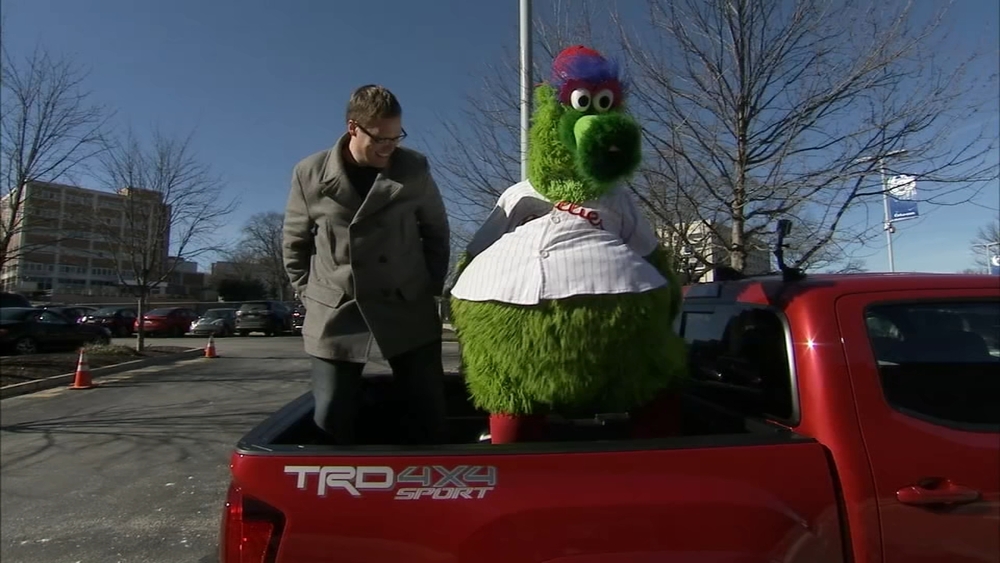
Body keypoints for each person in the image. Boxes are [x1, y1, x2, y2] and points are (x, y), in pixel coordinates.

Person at [282, 84, 451, 445]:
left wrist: (428, 289)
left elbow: (436, 232)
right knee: (331, 413)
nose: (389, 147)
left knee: (427, 409)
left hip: (406, 302)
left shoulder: (413, 168)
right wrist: (311, 295)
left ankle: (425, 474)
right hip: (336, 307)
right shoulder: (309, 174)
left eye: (396, 137)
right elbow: (295, 243)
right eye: (380, 139)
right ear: (353, 128)